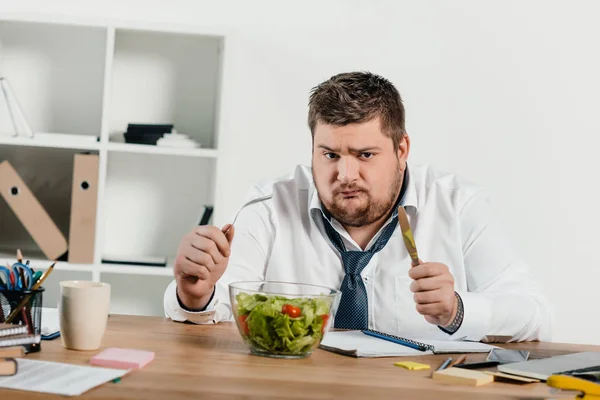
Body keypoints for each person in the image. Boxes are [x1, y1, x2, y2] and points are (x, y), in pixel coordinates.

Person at [163, 71, 553, 341]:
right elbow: (215, 307)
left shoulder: (458, 206)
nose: (345, 174)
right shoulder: (268, 205)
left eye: (365, 154)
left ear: (402, 150)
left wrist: (457, 310)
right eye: (330, 155)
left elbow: (535, 316)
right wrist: (195, 295)